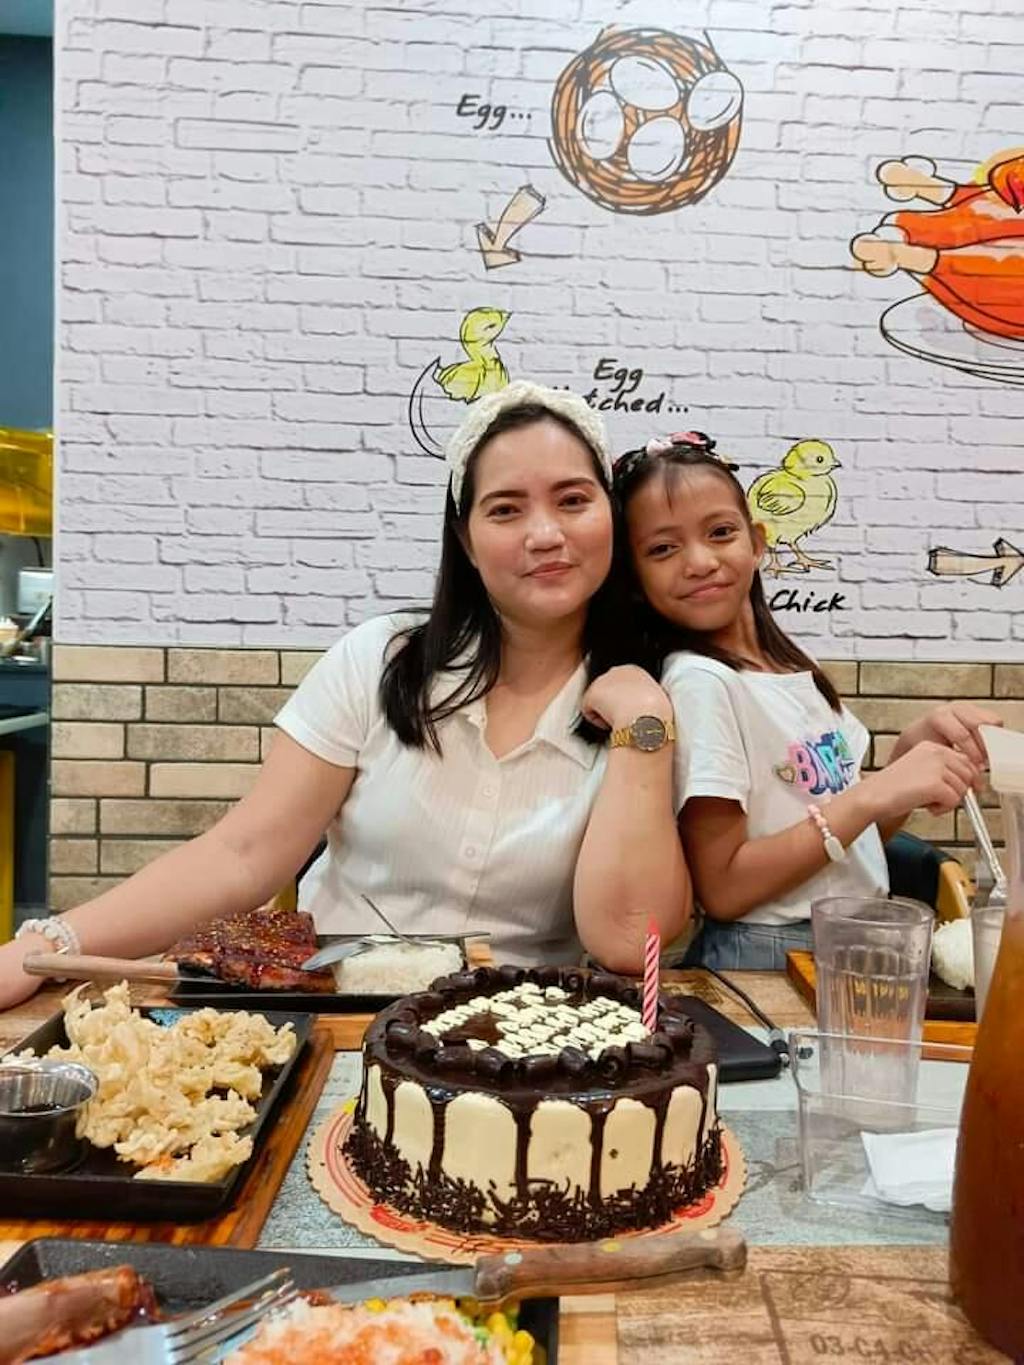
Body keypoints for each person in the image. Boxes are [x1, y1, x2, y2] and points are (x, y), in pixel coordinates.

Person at [0, 383, 691, 1010]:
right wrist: (48, 943)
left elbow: (630, 943)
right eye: (505, 509)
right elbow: (244, 854)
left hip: (521, 1045)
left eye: (573, 500)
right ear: (466, 539)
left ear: (610, 515)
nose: (545, 534)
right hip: (335, 1020)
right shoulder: (381, 662)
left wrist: (643, 722)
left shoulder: (661, 695)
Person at [613, 430, 998, 970]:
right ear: (635, 578)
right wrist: (873, 793)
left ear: (757, 542)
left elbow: (850, 848)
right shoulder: (702, 683)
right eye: (662, 548)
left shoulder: (793, 667)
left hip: (839, 942)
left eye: (720, 532)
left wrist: (905, 763)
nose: (699, 561)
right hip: (769, 956)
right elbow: (724, 888)